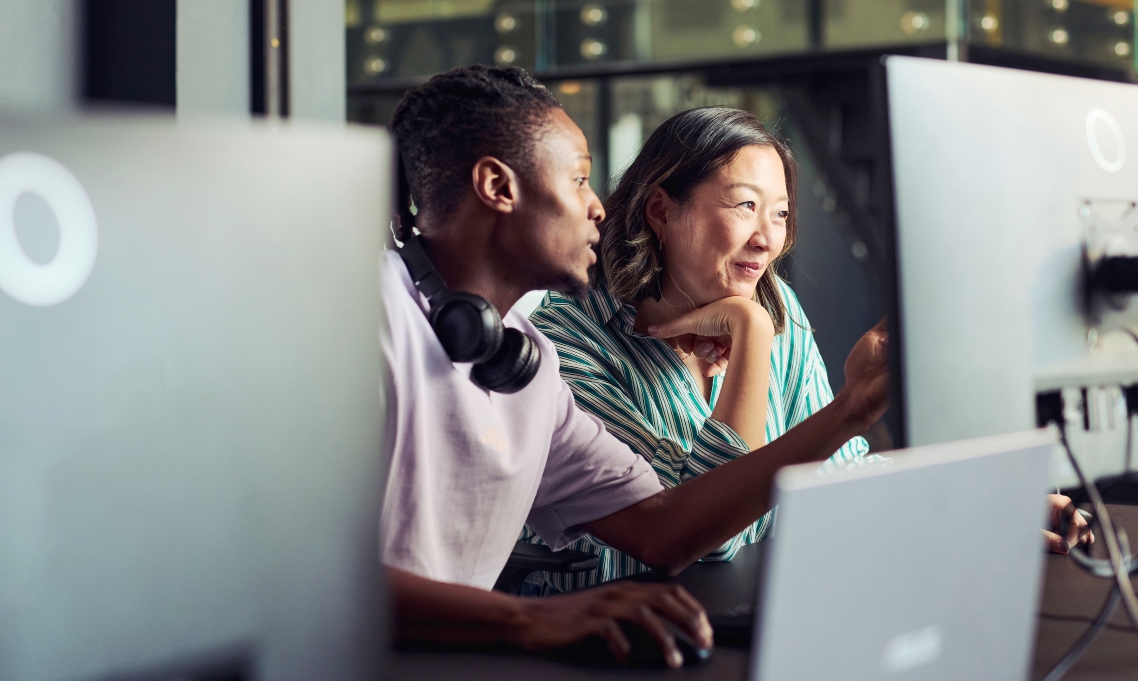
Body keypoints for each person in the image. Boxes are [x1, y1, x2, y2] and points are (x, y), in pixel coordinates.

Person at [380, 65, 894, 668]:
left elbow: (663, 528)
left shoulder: (522, 360)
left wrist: (853, 411)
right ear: (498, 186)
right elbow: (292, 566)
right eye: (578, 181)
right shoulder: (369, 320)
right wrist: (530, 616)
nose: (598, 207)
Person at [525, 106, 1092, 591]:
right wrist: (750, 336)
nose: (768, 239)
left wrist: (981, 506)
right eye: (745, 206)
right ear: (662, 211)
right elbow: (712, 539)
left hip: (745, 614)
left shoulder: (777, 306)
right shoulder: (571, 342)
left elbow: (833, 481)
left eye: (780, 214)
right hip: (611, 644)